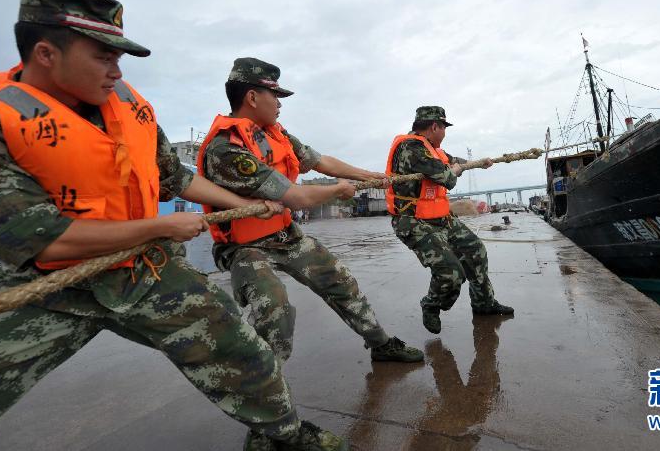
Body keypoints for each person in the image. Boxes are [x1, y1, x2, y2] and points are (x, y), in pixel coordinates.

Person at [0, 0, 347, 451]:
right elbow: (41, 240)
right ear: (46, 53)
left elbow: (172, 176)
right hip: (51, 285)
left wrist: (240, 206)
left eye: (119, 58)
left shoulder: (129, 106)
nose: (117, 71)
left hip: (146, 271)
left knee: (242, 353)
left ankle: (285, 435)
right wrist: (161, 226)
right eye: (103, 56)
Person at [197, 58, 424, 371]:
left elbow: (321, 161)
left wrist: (367, 175)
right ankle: (268, 403)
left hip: (284, 235)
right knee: (274, 311)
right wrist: (338, 190)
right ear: (252, 97)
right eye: (274, 96)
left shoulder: (276, 134)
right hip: (244, 247)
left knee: (340, 281)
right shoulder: (226, 148)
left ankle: (381, 344)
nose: (279, 104)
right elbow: (297, 197)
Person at [386, 106, 514, 334]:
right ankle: (431, 305)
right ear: (435, 126)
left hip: (441, 217)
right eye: (444, 127)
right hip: (414, 221)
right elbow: (447, 177)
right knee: (451, 272)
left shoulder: (433, 150)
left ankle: (484, 304)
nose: (445, 132)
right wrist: (454, 170)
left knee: (476, 251)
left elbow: (454, 161)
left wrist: (479, 163)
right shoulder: (411, 148)